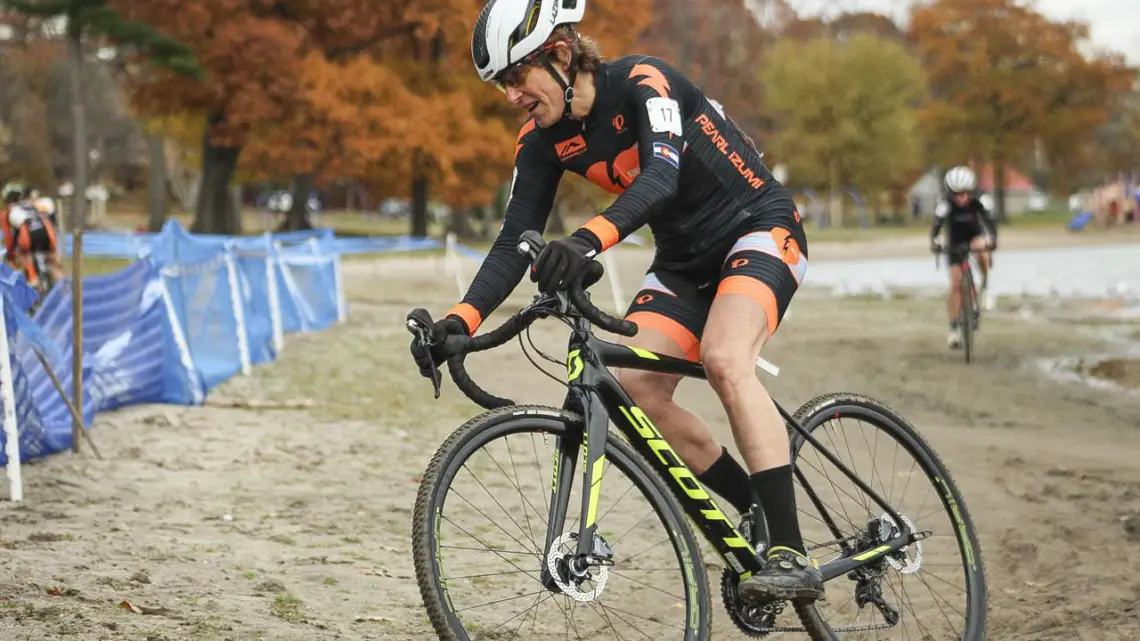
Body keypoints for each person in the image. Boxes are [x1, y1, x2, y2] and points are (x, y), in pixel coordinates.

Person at [411, 0, 822, 603]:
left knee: (725, 358)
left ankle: (790, 550)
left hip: (758, 228)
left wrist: (583, 242)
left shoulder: (642, 83)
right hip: (684, 262)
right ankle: (756, 507)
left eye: (516, 76)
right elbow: (510, 242)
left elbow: (661, 178)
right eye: (501, 83)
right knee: (635, 390)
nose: (510, 96)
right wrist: (460, 321)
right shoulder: (541, 141)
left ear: (560, 53)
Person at [929, 166, 996, 349]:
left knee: (983, 251)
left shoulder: (981, 200)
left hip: (976, 237)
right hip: (955, 241)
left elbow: (991, 225)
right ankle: (953, 329)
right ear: (950, 193)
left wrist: (992, 241)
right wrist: (936, 243)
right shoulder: (944, 204)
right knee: (956, 284)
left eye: (964, 193)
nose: (961, 198)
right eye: (956, 194)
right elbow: (936, 228)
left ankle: (985, 287)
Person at [3, 183, 61, 289]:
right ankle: (64, 291)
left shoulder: (9, 210)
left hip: (29, 237)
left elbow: (9, 237)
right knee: (53, 263)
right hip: (47, 234)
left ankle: (34, 283)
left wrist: (11, 252)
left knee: (24, 257)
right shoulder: (32, 204)